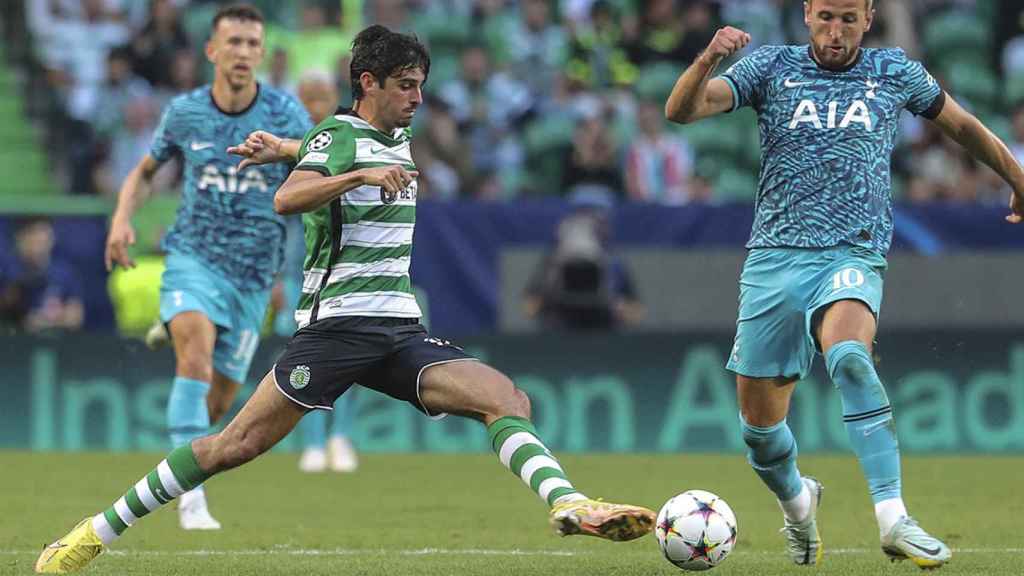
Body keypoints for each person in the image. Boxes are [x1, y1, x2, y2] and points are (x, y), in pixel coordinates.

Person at [35, 24, 655, 575]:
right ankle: (95, 531)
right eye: (407, 85)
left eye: (421, 85)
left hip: (397, 330)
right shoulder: (344, 138)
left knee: (503, 397)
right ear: (369, 82)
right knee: (232, 447)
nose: (417, 97)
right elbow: (290, 196)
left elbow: (318, 148)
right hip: (336, 330)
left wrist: (284, 147)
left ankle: (570, 504)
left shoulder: (381, 134)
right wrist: (348, 173)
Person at [664, 0, 1024, 569]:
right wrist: (708, 58)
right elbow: (682, 111)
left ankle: (893, 517)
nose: (836, 31)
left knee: (851, 356)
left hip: (851, 251)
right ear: (807, 13)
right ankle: (799, 503)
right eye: (826, 16)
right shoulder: (771, 68)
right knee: (760, 434)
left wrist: (1017, 177)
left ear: (869, 18)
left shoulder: (893, 72)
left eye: (848, 19)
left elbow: (963, 126)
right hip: (774, 259)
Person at [97, 4, 311, 532]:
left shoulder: (286, 115)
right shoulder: (185, 112)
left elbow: (314, 176)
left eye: (252, 44)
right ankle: (190, 501)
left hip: (253, 277)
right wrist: (122, 220)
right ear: (212, 51)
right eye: (233, 42)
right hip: (193, 256)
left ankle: (170, 326)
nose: (242, 53)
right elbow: (144, 173)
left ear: (262, 54)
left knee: (217, 402)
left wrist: (290, 273)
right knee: (192, 359)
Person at [284, 70, 359, 474]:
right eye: (307, 98)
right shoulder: (296, 148)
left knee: (350, 356)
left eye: (321, 97)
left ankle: (340, 436)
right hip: (302, 270)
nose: (314, 106)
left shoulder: (348, 140)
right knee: (306, 359)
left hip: (345, 265)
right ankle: (313, 442)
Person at [0, 218, 84, 334]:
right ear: (21, 239)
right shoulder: (9, 270)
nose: (38, 245)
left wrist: (44, 321)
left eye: (42, 238)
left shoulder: (63, 272)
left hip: (58, 342)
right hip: (17, 341)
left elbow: (76, 317)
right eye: (32, 237)